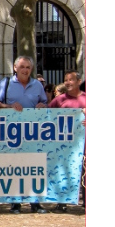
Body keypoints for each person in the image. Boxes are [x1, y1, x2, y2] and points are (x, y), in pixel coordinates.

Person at [0, 56, 48, 214]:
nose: (25, 70)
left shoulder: (37, 85)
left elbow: (45, 103)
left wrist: (42, 105)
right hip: (12, 133)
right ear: (15, 68)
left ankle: (35, 202)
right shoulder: (7, 83)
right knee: (14, 166)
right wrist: (9, 106)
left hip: (33, 132)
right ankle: (15, 202)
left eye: (28, 67)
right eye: (22, 67)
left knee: (34, 166)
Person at [49, 71, 86, 212]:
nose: (68, 82)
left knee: (85, 172)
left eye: (71, 80)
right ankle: (62, 202)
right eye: (66, 80)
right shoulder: (59, 100)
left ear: (79, 81)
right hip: (64, 143)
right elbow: (46, 116)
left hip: (84, 143)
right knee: (63, 171)